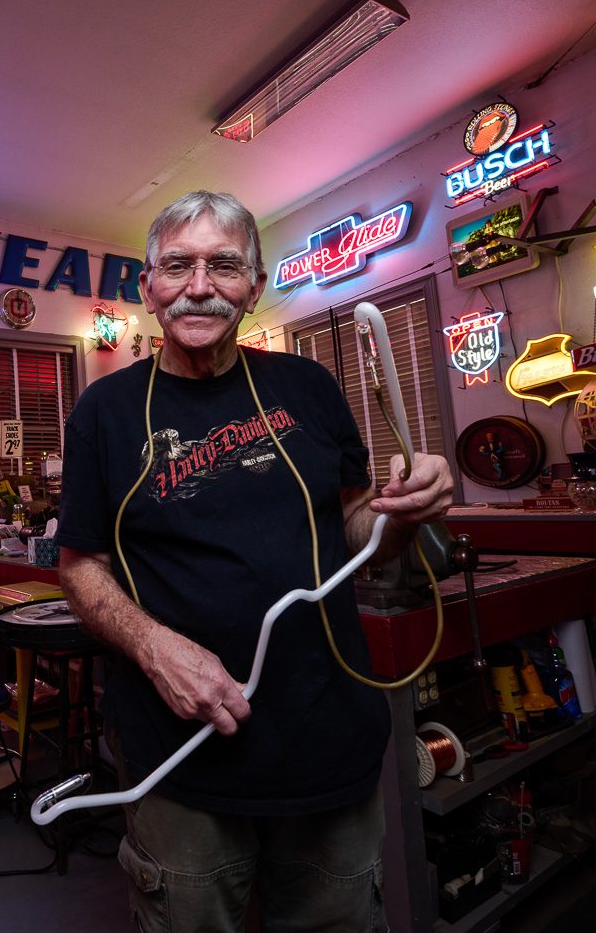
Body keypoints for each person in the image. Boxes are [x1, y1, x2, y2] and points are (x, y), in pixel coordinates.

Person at [55, 191, 453, 932]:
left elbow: (358, 530)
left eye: (223, 265)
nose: (199, 285)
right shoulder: (104, 412)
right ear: (148, 287)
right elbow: (80, 565)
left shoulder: (308, 387)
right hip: (181, 760)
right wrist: (154, 648)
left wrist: (401, 507)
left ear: (255, 284)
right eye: (177, 265)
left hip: (327, 740)